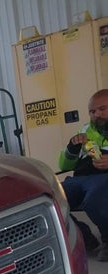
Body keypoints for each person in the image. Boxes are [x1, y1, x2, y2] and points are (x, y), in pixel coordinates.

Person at [59, 88, 108, 260]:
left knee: (95, 198)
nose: (97, 114)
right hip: (79, 180)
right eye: (92, 111)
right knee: (52, 198)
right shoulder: (86, 130)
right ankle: (83, 237)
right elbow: (63, 165)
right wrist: (72, 147)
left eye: (102, 109)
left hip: (102, 180)